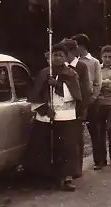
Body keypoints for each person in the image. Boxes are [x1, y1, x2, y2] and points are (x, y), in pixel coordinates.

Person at [25, 44, 82, 191]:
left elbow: (75, 95)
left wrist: (57, 85)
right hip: (46, 116)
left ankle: (66, 178)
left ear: (65, 57)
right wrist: (44, 109)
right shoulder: (44, 73)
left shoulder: (71, 74)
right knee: (44, 146)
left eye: (61, 55)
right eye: (55, 55)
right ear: (50, 56)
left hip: (65, 116)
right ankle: (46, 177)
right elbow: (35, 95)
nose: (57, 58)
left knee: (66, 147)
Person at [61, 38, 91, 178]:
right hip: (63, 108)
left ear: (73, 51)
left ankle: (77, 169)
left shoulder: (82, 67)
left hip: (77, 109)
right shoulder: (61, 67)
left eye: (65, 52)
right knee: (65, 140)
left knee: (77, 139)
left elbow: (85, 90)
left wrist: (83, 110)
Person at [72, 34, 102, 169]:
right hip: (78, 100)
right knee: (77, 133)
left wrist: (93, 98)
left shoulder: (94, 62)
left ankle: (99, 160)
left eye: (75, 45)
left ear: (81, 46)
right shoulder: (73, 62)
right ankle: (78, 164)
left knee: (94, 131)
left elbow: (98, 83)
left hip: (91, 100)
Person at [96, 45, 111, 169]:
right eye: (105, 57)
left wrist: (102, 84)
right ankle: (101, 159)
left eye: (110, 57)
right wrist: (107, 82)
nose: (107, 59)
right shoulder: (97, 68)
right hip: (99, 103)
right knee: (100, 131)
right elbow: (94, 85)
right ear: (101, 57)